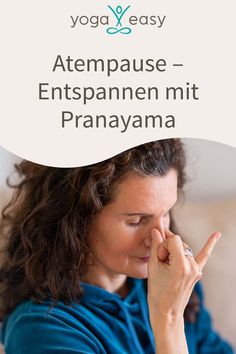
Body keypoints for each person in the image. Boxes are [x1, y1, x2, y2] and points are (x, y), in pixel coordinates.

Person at [0, 139, 234, 354]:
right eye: (136, 221)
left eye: (165, 213)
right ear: (76, 220)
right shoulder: (42, 330)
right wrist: (169, 317)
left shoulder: (171, 287)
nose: (160, 238)